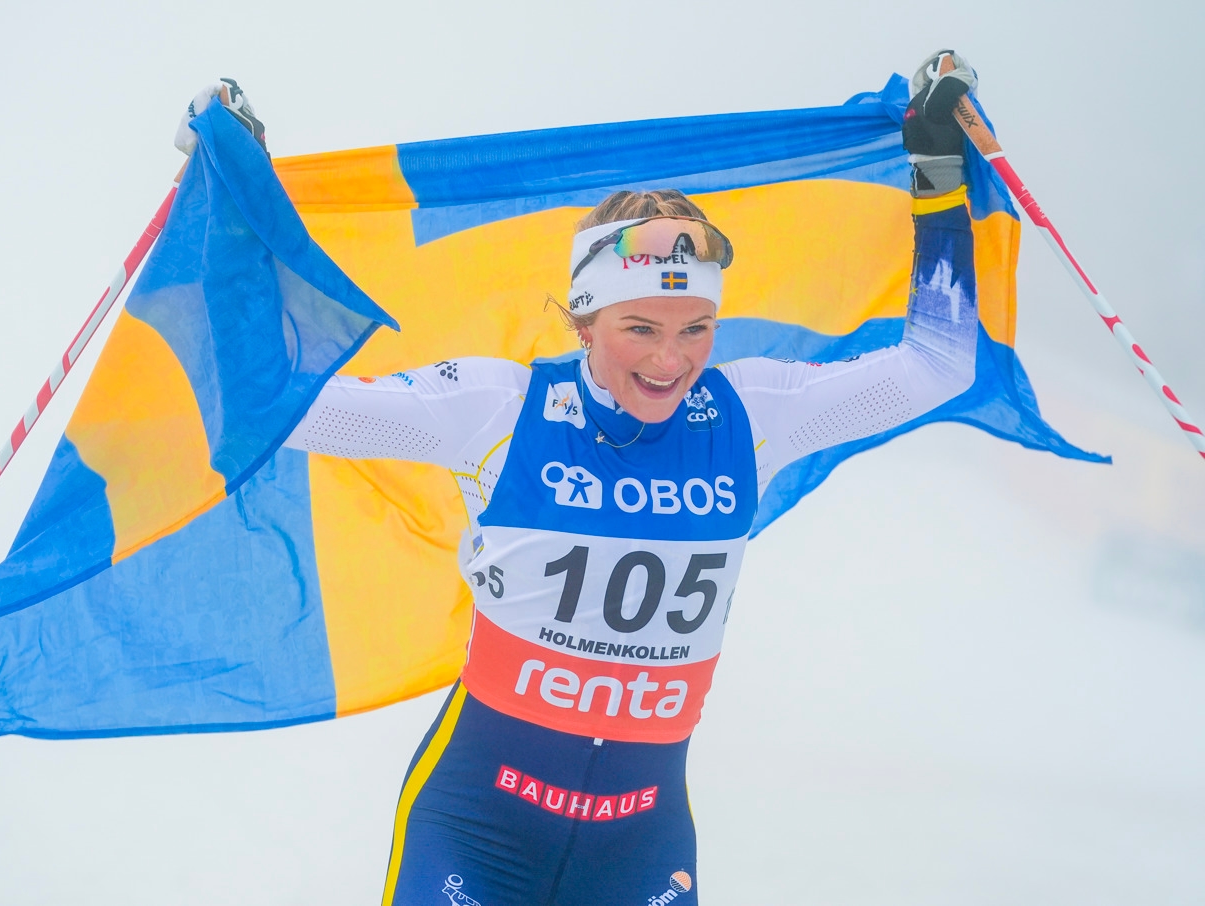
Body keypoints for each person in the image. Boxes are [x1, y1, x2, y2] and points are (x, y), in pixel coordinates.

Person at [181, 49, 980, 906]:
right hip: (477, 827)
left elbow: (937, 365)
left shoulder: (752, 415)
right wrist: (233, 216)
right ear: (583, 319)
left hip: (640, 843)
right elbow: (271, 405)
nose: (673, 361)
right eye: (641, 328)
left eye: (698, 328)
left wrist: (938, 178)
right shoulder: (499, 409)